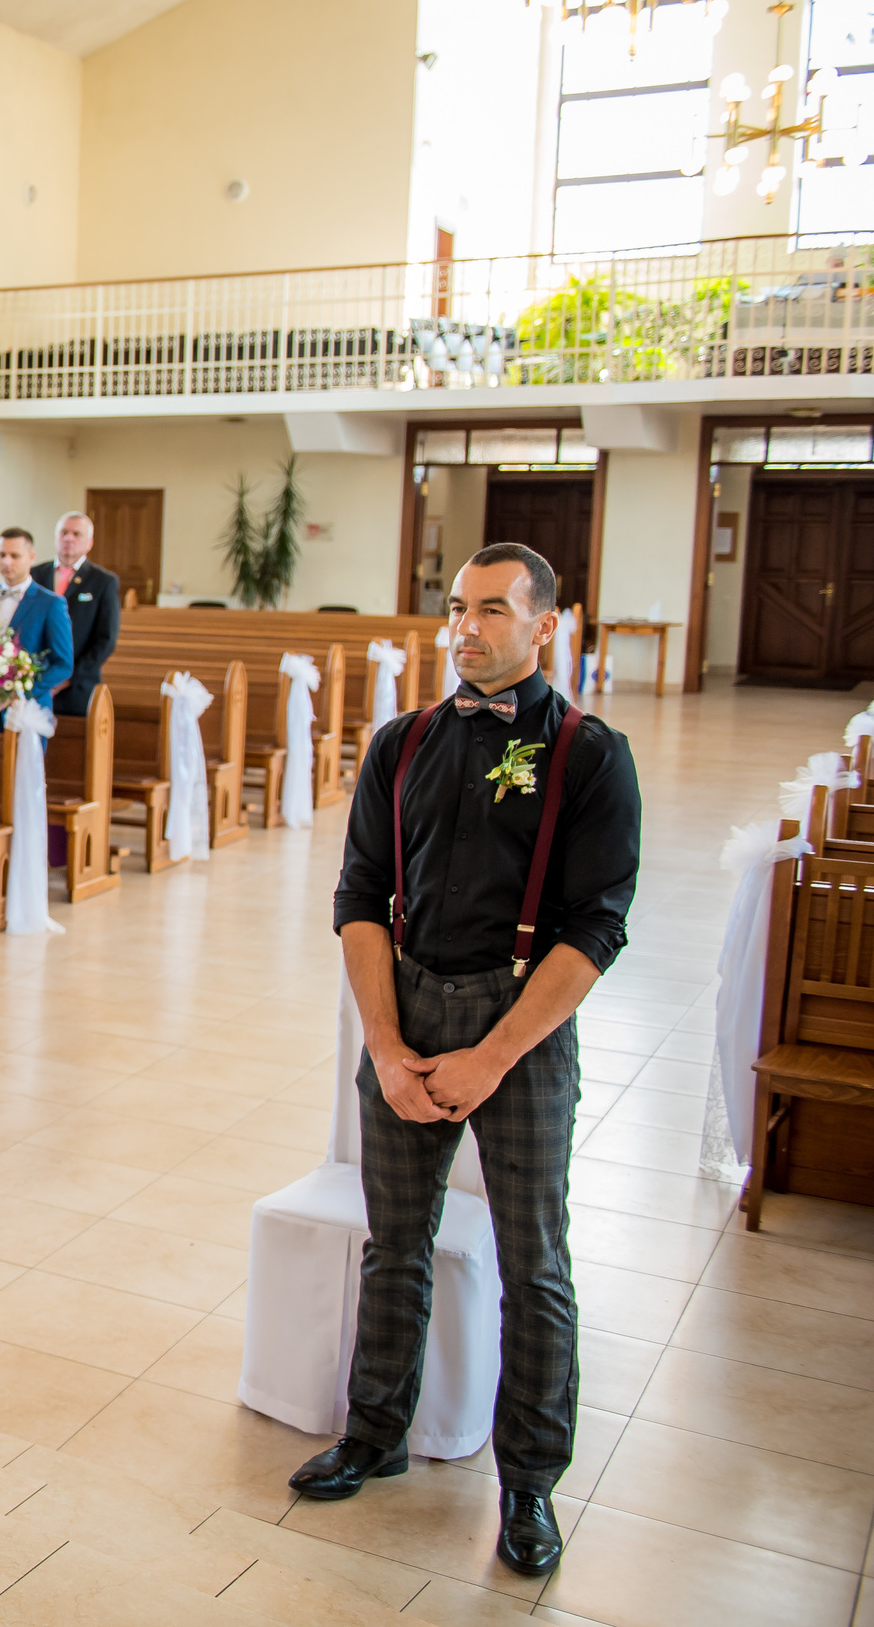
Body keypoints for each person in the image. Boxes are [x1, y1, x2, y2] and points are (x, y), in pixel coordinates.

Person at [294, 542, 641, 1581]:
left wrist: (491, 1055)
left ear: (544, 623)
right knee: (393, 1241)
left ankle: (529, 1480)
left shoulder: (587, 752)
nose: (466, 627)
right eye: (456, 607)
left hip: (520, 1021)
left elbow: (595, 929)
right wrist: (388, 1047)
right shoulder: (401, 742)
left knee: (533, 1260)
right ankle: (373, 1430)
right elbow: (358, 898)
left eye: (492, 609)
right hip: (406, 1001)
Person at [0, 527, 72, 730]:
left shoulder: (51, 603)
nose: (6, 562)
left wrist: (16, 694)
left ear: (31, 557)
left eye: (14, 556)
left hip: (27, 711)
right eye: (2, 555)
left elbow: (63, 665)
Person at [32, 511, 121, 717]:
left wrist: (68, 678)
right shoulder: (35, 575)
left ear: (89, 543)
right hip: (35, 682)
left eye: (76, 534)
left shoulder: (102, 581)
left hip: (77, 689)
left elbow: (105, 640)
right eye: (63, 532)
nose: (68, 538)